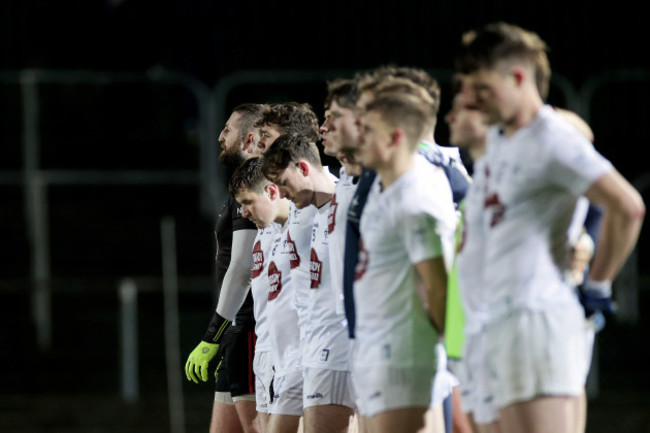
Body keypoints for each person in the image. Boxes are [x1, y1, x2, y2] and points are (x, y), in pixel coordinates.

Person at [454, 21, 645, 433]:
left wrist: (598, 285)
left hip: (538, 321)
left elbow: (627, 207)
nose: (475, 101)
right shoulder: (502, 141)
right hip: (498, 323)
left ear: (519, 78)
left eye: (484, 90)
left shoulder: (552, 137)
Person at [352, 89, 457, 433]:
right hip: (375, 350)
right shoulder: (383, 192)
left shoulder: (413, 198)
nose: (358, 137)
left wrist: (447, 356)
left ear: (395, 137)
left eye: (367, 130)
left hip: (401, 355)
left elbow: (438, 287)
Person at [261, 133, 356, 433]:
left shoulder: (346, 201)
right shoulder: (311, 213)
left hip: (336, 350)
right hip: (310, 350)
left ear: (303, 168)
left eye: (284, 183)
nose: (283, 194)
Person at [185, 103, 268, 433]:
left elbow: (243, 266)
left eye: (227, 130)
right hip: (236, 328)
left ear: (248, 138)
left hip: (249, 327)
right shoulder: (242, 187)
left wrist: (212, 335)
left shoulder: (257, 189)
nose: (220, 136)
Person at [229, 156, 295, 433]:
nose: (243, 212)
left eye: (247, 202)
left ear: (270, 190)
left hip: (300, 358)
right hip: (268, 351)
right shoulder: (266, 230)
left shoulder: (310, 220)